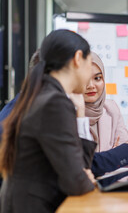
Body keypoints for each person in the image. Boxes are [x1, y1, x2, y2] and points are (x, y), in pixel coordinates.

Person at [0, 51, 128, 179]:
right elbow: (86, 164)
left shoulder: (109, 109)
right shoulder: (50, 113)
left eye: (98, 78)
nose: (90, 85)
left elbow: (116, 153)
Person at [0, 30, 96, 212]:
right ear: (78, 58)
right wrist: (85, 179)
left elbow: (78, 165)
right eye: (90, 63)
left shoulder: (42, 94)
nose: (90, 73)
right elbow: (76, 181)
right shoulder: (54, 102)